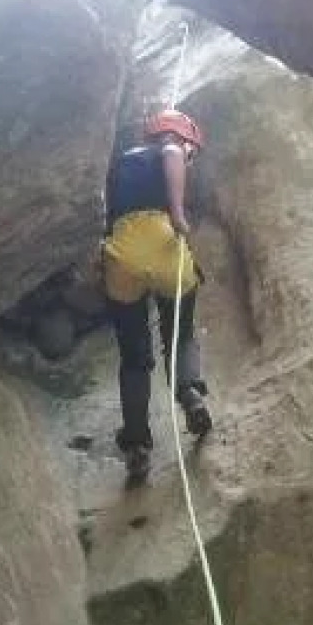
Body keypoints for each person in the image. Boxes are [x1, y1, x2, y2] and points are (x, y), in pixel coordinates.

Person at [102, 108, 214, 485]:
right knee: (180, 335)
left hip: (120, 253)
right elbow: (173, 154)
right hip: (162, 242)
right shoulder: (170, 146)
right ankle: (190, 393)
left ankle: (136, 446)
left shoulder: (120, 165)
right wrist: (179, 214)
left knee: (134, 358)